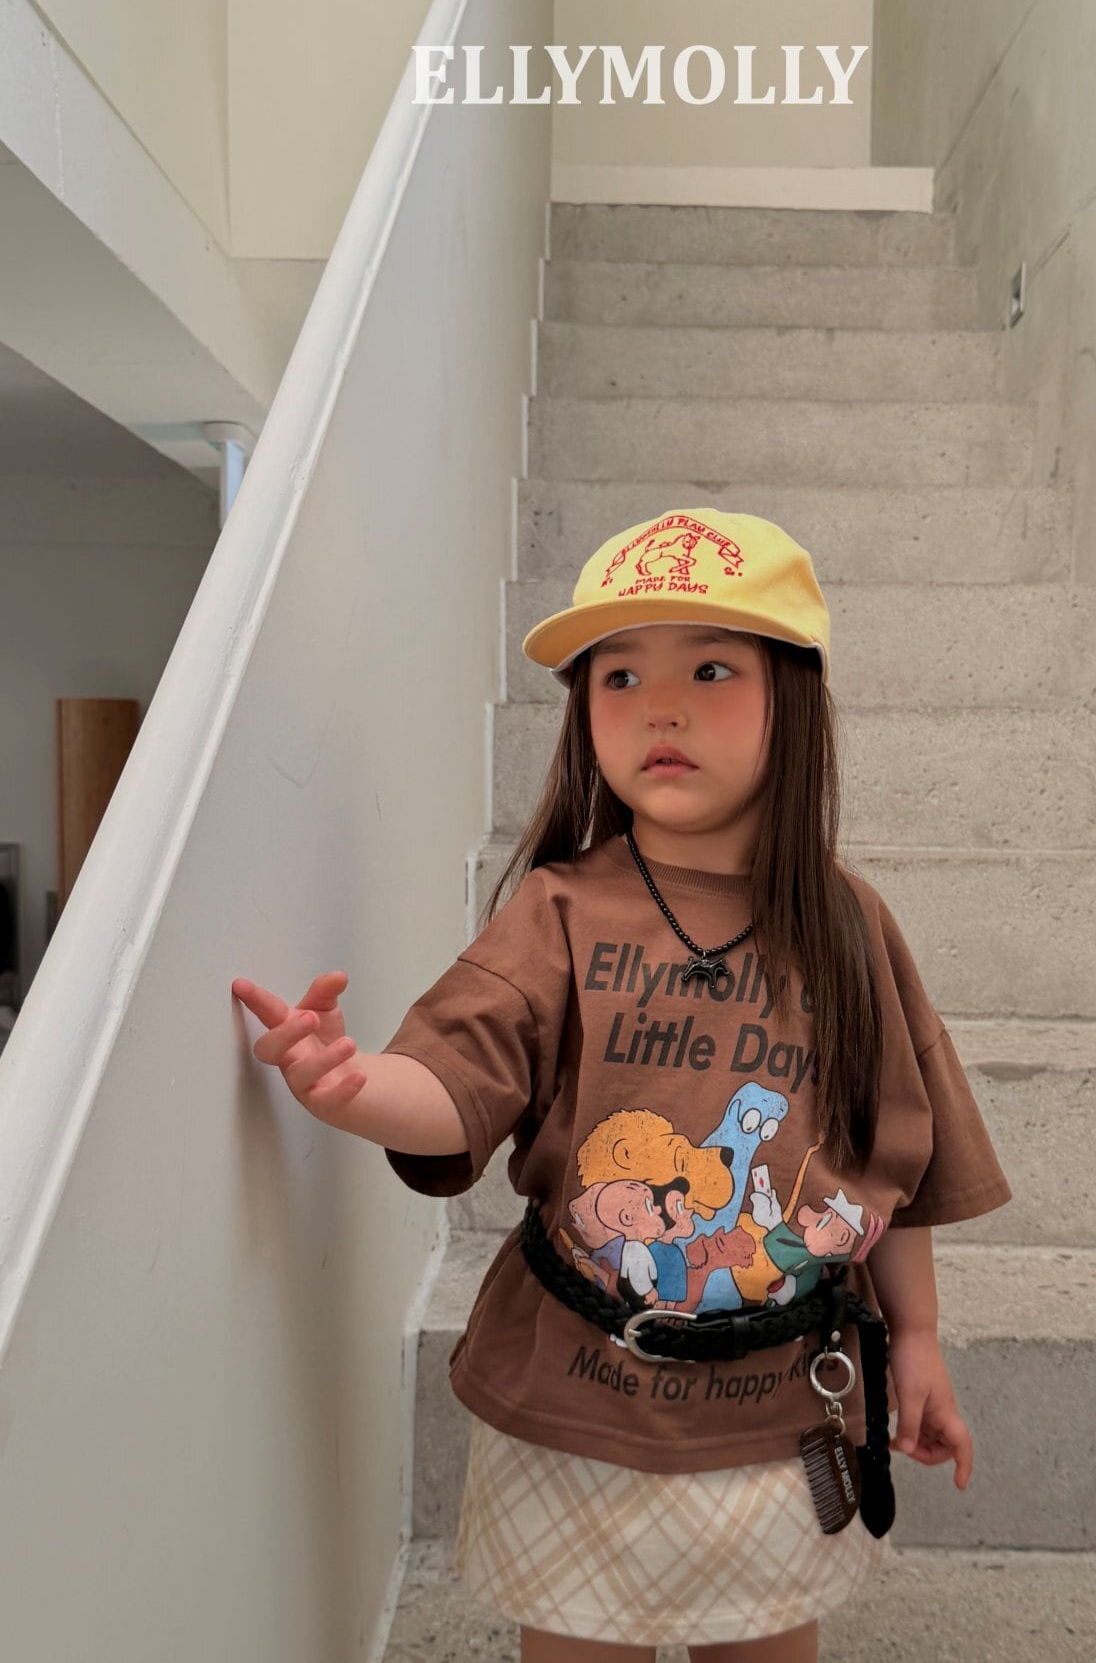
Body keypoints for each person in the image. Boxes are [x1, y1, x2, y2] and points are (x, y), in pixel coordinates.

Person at [232, 507, 1014, 1663]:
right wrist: (351, 1089)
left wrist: (919, 1340)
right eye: (618, 676)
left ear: (793, 696)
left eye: (711, 669)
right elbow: (459, 1078)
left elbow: (887, 1157)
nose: (660, 707)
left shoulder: (849, 928)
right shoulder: (557, 909)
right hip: (576, 1399)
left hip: (780, 1409)